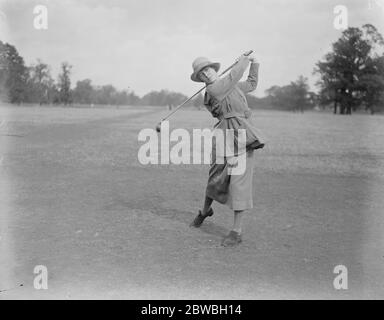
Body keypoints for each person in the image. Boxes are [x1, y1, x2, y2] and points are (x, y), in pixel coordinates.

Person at [189, 53, 265, 247]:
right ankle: (205, 211)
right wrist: (243, 61)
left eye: (207, 69)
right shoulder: (214, 89)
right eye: (201, 74)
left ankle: (236, 231)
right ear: (200, 79)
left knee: (239, 181)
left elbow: (251, 83)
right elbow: (234, 76)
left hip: (242, 135)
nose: (205, 74)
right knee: (216, 176)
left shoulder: (230, 85)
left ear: (214, 69)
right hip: (224, 135)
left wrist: (255, 63)